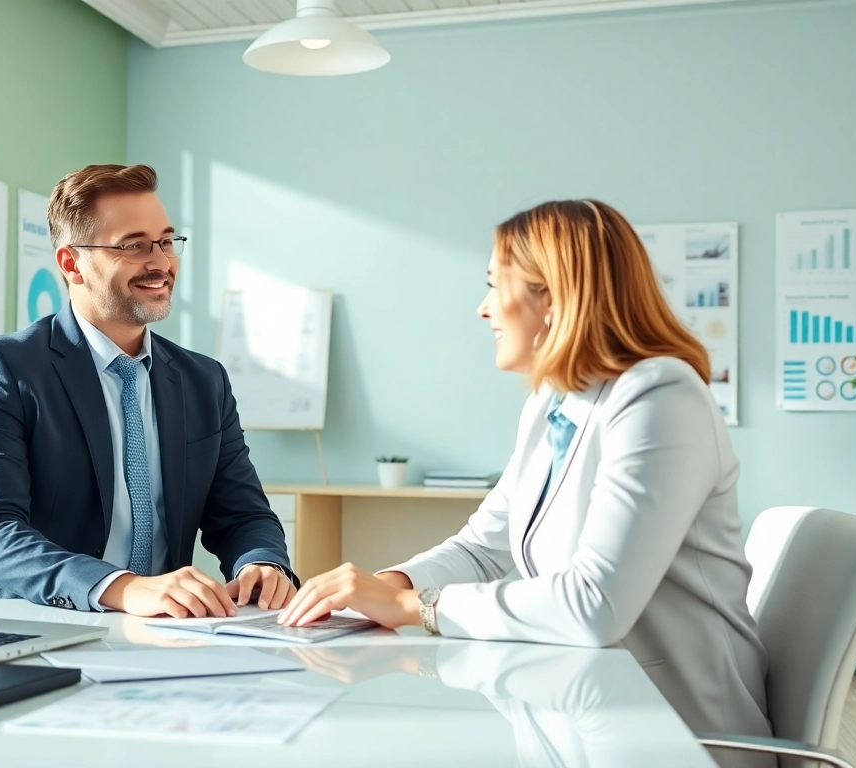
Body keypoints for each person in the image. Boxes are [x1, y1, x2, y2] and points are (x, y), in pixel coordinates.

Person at [279, 200, 773, 754]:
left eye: (495, 285)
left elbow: (594, 605)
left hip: (677, 731)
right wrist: (393, 585)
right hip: (582, 712)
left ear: (555, 296)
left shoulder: (661, 396)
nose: (483, 309)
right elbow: (484, 548)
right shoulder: (552, 402)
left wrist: (417, 609)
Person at [0, 164, 296, 618]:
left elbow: (243, 515)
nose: (161, 262)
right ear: (72, 264)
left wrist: (263, 564)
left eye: (167, 242)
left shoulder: (203, 380)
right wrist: (121, 588)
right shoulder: (4, 368)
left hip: (168, 634)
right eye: (133, 246)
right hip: (46, 627)